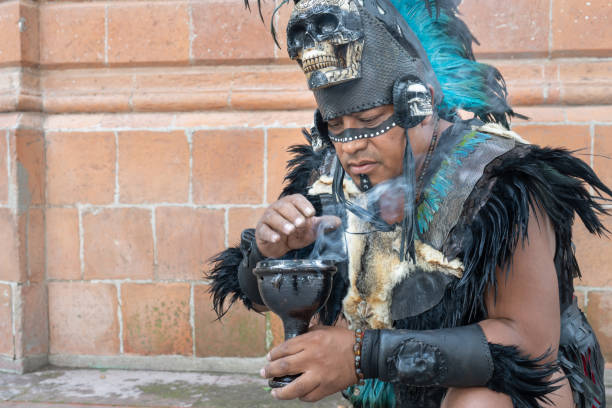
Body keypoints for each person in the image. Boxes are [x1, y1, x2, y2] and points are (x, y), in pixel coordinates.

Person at [208, 0, 610, 407]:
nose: (352, 146)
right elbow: (258, 296)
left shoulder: (501, 183)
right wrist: (268, 250)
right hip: (403, 394)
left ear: (421, 104)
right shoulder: (327, 177)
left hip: (524, 390)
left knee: (480, 401)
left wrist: (362, 354)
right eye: (336, 127)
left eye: (369, 122)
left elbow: (529, 344)